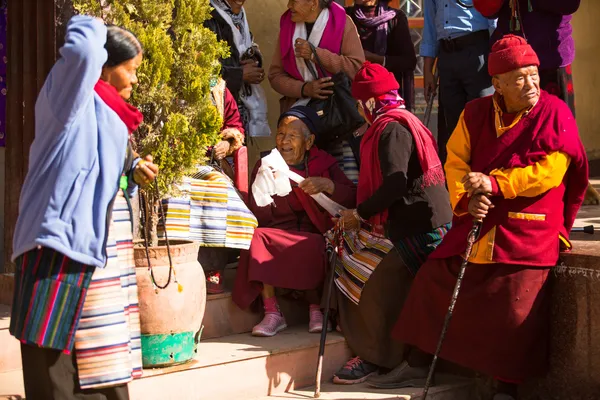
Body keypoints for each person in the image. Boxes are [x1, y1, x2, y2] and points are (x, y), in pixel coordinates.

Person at [381, 36, 588, 400]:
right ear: (499, 84)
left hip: (530, 223)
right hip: (480, 221)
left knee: (515, 305)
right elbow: (456, 162)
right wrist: (467, 198)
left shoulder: (554, 112)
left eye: (534, 74)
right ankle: (416, 362)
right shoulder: (475, 114)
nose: (532, 84)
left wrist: (493, 184)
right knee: (433, 278)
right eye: (520, 78)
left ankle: (506, 387)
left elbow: (550, 172)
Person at [9, 16, 158, 399]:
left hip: (91, 248)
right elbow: (83, 48)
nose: (135, 80)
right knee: (51, 359)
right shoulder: (68, 95)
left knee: (99, 352)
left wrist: (132, 165)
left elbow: (94, 157)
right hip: (54, 242)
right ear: (103, 66)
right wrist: (93, 18)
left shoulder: (109, 114)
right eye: (131, 69)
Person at [330, 62, 452, 385]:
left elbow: (395, 185)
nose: (359, 110)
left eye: (360, 103)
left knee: (363, 272)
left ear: (369, 103)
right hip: (419, 221)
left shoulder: (390, 129)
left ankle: (375, 355)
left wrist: (358, 214)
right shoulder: (404, 120)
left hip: (421, 230)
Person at [232, 106, 356, 337]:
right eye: (280, 134)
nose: (284, 141)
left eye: (292, 136)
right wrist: (262, 188)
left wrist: (328, 186)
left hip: (316, 232)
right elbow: (258, 215)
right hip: (278, 232)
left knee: (316, 245)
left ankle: (316, 309)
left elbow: (351, 197)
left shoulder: (324, 163)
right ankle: (273, 313)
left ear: (309, 142)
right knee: (257, 237)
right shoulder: (267, 165)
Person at [471, 0, 599, 206]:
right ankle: (517, 183)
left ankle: (574, 182)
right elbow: (486, 9)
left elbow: (569, 4)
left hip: (551, 53)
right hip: (512, 58)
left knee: (559, 126)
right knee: (514, 126)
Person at [269, 0, 365, 183]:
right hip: (300, 120)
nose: (289, 6)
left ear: (313, 2)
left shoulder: (343, 23)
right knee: (302, 184)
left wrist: (316, 55)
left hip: (338, 119)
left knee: (341, 182)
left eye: (294, 1)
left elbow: (357, 67)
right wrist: (304, 89)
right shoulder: (287, 27)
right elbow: (275, 75)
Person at [421, 0, 497, 164]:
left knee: (482, 120)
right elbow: (430, 27)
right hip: (447, 55)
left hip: (477, 51)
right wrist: (428, 70)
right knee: (453, 126)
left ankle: (484, 179)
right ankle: (457, 182)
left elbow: (494, 20)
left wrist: (495, 57)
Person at [205, 0, 270, 137]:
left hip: (240, 111)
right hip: (216, 112)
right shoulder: (206, 16)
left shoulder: (237, 14)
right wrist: (239, 75)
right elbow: (202, 72)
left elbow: (246, 43)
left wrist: (254, 60)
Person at [346, 0, 417, 111]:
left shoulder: (395, 18)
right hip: (351, 97)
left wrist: (375, 59)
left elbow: (408, 61)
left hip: (386, 99)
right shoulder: (345, 16)